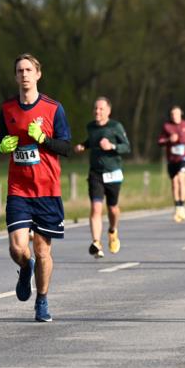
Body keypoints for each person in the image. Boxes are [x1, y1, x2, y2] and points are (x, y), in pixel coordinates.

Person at [0, 53, 72, 323]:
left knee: (42, 251)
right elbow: (2, 139)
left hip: (47, 190)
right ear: (15, 76)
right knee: (18, 248)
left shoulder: (53, 108)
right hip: (19, 189)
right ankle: (25, 266)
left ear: (38, 74)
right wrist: (2, 146)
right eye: (20, 71)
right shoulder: (7, 109)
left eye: (29, 70)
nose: (24, 74)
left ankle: (42, 300)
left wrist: (44, 139)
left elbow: (66, 147)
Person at [74, 97, 131, 257]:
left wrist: (111, 146)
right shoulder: (91, 127)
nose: (97, 111)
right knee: (96, 207)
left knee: (112, 208)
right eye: (95, 108)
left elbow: (127, 147)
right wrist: (83, 146)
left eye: (101, 109)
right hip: (96, 173)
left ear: (108, 111)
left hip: (113, 173)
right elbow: (91, 141)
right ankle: (96, 243)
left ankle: (113, 231)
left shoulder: (115, 126)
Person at [157, 105, 185, 223]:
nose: (174, 116)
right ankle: (177, 207)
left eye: (177, 114)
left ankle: (182, 207)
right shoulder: (166, 126)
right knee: (174, 182)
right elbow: (159, 141)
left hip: (184, 157)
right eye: (172, 114)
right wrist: (169, 140)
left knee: (181, 178)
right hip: (172, 159)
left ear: (181, 114)